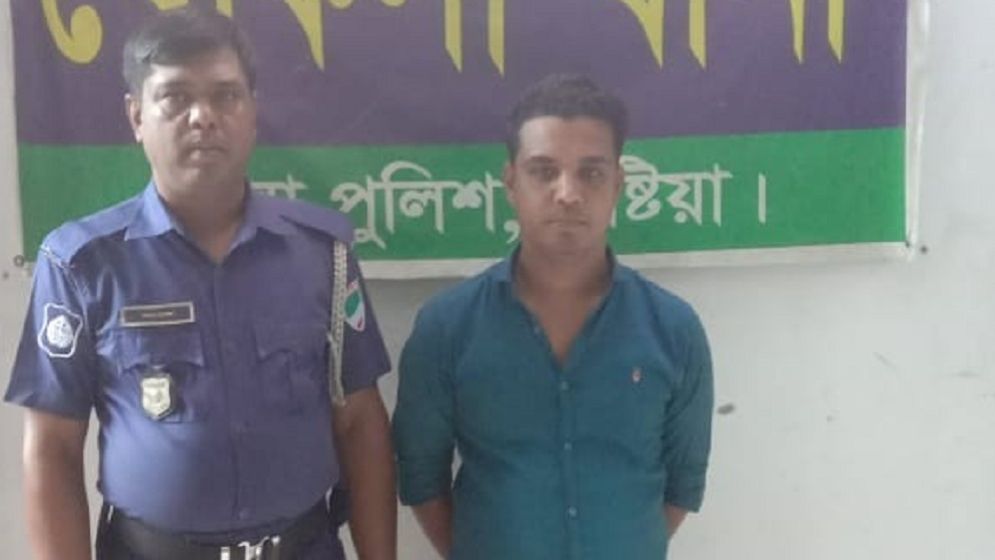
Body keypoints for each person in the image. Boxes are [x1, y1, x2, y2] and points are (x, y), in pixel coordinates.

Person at [5, 8, 396, 560]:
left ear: (253, 111)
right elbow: (52, 449)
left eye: (225, 95)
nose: (203, 117)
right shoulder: (82, 265)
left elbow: (360, 423)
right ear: (136, 116)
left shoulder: (321, 254)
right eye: (175, 97)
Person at [392, 74, 714, 559]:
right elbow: (421, 478)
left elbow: (683, 485)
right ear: (511, 183)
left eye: (591, 173)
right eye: (543, 171)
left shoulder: (674, 330)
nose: (568, 193)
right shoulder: (446, 328)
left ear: (618, 184)